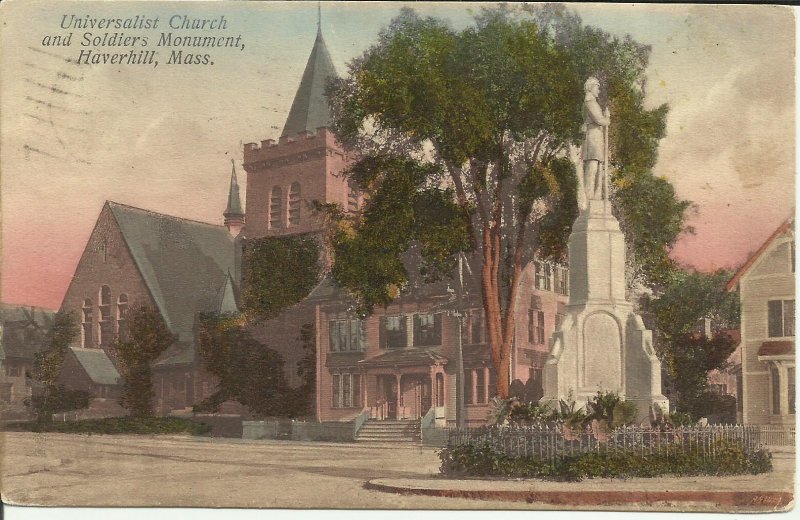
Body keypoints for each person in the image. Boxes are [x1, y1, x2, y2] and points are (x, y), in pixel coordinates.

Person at [582, 77, 611, 201]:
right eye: (597, 87)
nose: (598, 90)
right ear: (591, 87)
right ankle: (589, 195)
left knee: (598, 165)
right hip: (593, 135)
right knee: (592, 164)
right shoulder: (589, 101)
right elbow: (598, 119)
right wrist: (607, 120)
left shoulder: (593, 101)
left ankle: (596, 195)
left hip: (597, 135)